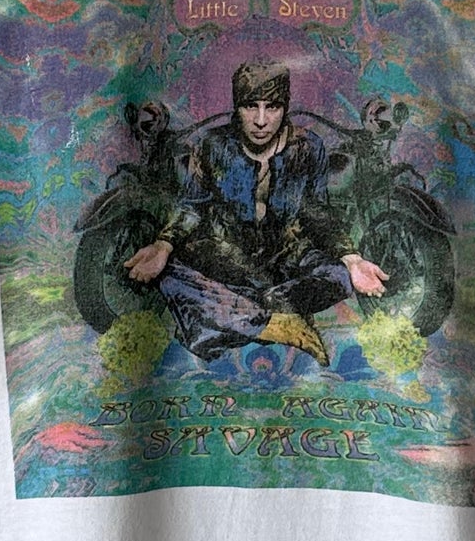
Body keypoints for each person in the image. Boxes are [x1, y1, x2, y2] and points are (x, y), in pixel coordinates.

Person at [122, 61, 388, 363]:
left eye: (272, 107)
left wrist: (352, 259)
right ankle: (278, 323)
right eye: (251, 106)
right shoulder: (213, 145)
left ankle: (232, 317)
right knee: (168, 272)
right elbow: (192, 206)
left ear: (285, 108)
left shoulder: (308, 146)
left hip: (286, 260)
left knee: (339, 276)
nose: (261, 120)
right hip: (228, 258)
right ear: (237, 107)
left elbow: (317, 213)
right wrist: (163, 245)